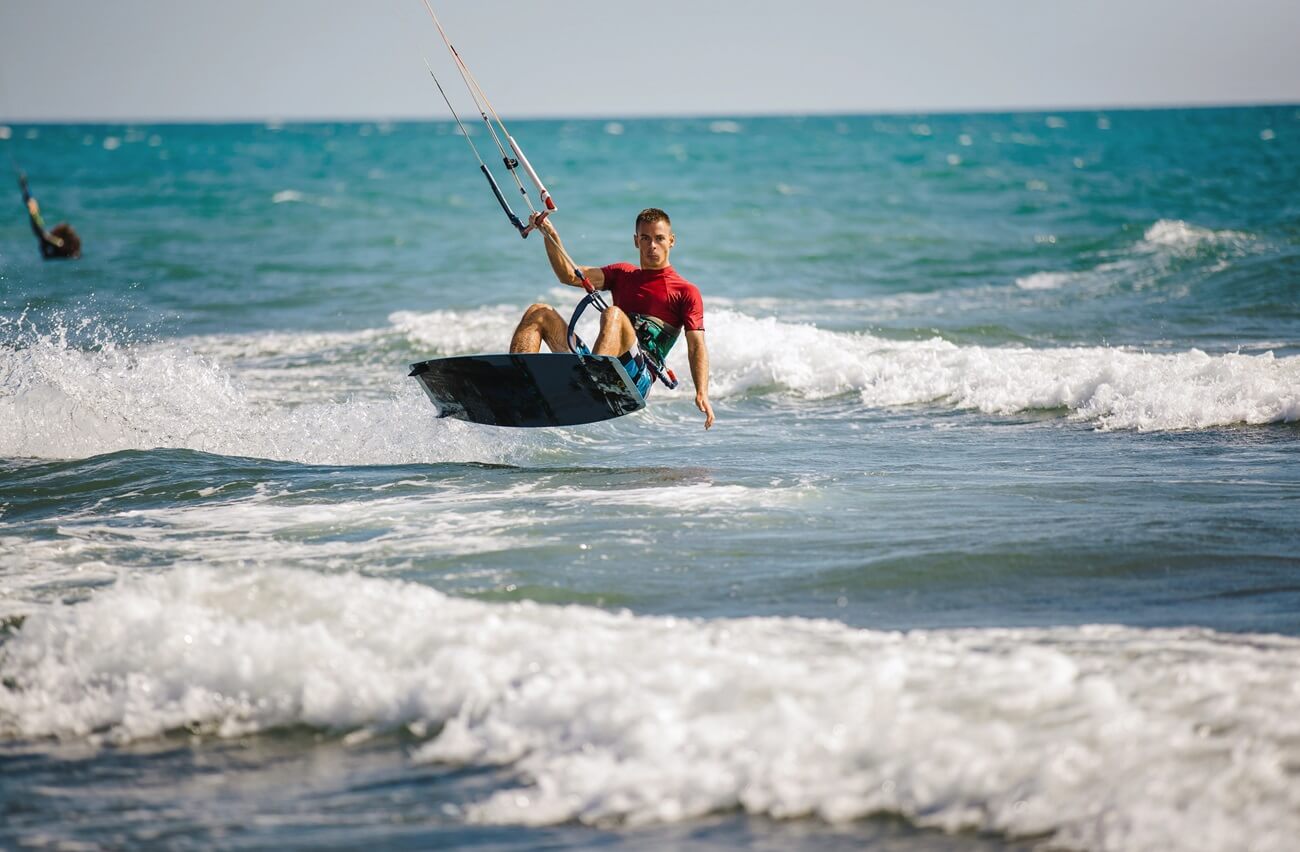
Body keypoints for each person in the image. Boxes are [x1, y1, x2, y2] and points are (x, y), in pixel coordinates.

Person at [510, 207, 714, 429]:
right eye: (645, 238)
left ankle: (591, 382)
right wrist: (549, 233)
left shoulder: (685, 291)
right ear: (636, 241)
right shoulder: (622, 274)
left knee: (614, 314)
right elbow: (569, 275)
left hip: (637, 378)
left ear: (671, 241)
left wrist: (701, 391)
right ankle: (517, 385)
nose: (652, 245)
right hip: (601, 367)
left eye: (659, 238)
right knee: (538, 312)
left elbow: (696, 346)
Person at [19, 173, 81, 260]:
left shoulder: (34, 211)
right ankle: (24, 183)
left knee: (58, 243)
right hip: (43, 234)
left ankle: (24, 183)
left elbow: (29, 199)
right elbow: (29, 199)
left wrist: (24, 184)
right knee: (58, 243)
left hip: (43, 234)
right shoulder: (33, 211)